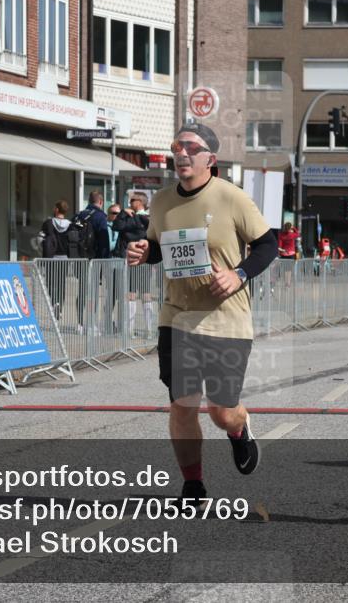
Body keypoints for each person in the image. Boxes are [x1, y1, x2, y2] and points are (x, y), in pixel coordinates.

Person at [126, 122, 278, 504]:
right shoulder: (161, 201)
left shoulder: (232, 198)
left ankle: (239, 429)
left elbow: (267, 246)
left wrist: (239, 274)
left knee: (221, 412)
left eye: (191, 148)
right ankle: (193, 486)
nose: (181, 153)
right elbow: (160, 247)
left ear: (210, 158)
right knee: (182, 404)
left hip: (226, 319)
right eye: (177, 146)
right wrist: (144, 253)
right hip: (177, 316)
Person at [114, 193, 154, 336]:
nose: (129, 203)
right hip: (144, 261)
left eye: (132, 200)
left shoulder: (138, 218)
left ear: (140, 203)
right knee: (144, 294)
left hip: (135, 259)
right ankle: (148, 330)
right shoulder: (150, 218)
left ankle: (131, 330)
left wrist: (123, 214)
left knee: (135, 294)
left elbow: (117, 226)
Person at [39, 200, 72, 320]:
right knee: (61, 283)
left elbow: (40, 239)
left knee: (50, 283)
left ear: (57, 209)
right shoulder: (70, 224)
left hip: (51, 258)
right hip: (64, 258)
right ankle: (60, 308)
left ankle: (54, 303)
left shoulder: (48, 223)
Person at [75, 190, 111, 259]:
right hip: (95, 257)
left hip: (78, 257)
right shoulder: (100, 216)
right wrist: (105, 258)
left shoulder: (79, 215)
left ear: (89, 201)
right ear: (101, 202)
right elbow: (104, 240)